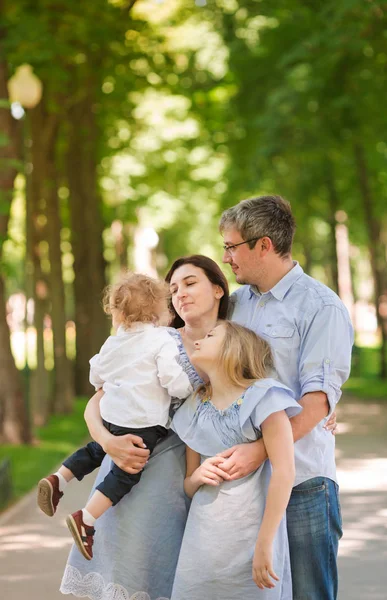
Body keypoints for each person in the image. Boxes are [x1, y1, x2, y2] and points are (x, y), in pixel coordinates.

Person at [60, 255, 337, 600]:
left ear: (219, 290)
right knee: (139, 576)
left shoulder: (231, 339)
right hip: (143, 473)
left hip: (208, 492)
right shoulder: (156, 339)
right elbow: (100, 399)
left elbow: (271, 391)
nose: (180, 294)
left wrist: (315, 413)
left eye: (190, 284)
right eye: (173, 288)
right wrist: (105, 440)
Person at [219, 195, 353, 600]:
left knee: (309, 595)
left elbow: (317, 402)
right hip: (240, 485)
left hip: (304, 483)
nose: (226, 258)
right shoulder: (234, 305)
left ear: (263, 245)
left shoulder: (321, 306)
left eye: (231, 246)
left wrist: (260, 450)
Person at [38, 273, 192, 560]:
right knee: (126, 473)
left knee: (96, 449)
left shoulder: (113, 343)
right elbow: (173, 380)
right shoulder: (161, 339)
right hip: (142, 423)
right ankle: (87, 517)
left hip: (112, 417)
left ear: (119, 314)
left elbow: (96, 374)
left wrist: (107, 384)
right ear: (157, 310)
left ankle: (59, 478)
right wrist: (188, 386)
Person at [171, 321, 302, 599]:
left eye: (210, 335)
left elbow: (285, 471)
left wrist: (265, 544)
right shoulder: (194, 405)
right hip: (202, 545)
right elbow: (188, 486)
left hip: (252, 539)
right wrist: (197, 477)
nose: (197, 340)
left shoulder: (265, 396)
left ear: (234, 347)